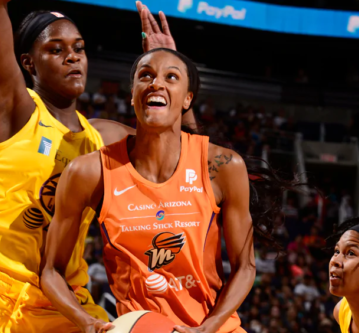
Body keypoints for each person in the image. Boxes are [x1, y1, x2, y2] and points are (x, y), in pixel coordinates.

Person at [0, 1, 187, 332]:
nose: (72, 57)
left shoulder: (103, 138)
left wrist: (173, 71)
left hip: (62, 303)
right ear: (28, 63)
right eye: (56, 50)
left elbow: (190, 159)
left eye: (79, 49)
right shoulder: (9, 107)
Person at [42, 48, 299, 333]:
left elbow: (245, 267)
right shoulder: (88, 172)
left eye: (171, 77)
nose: (156, 83)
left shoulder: (222, 166)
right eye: (146, 75)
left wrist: (208, 328)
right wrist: (87, 322)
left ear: (188, 99)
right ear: (132, 94)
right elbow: (51, 271)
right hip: (142, 327)